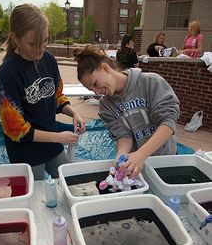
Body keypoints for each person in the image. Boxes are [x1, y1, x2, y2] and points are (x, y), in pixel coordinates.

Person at [0, 4, 85, 180]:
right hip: (25, 151)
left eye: (45, 41)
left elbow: (57, 96)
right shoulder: (6, 75)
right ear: (16, 38)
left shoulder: (49, 60)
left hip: (52, 143)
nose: (41, 49)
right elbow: (16, 130)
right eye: (32, 44)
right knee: (36, 198)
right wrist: (59, 137)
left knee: (69, 183)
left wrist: (73, 113)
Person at [73, 45, 180, 177]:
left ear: (105, 68)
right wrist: (119, 159)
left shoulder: (151, 82)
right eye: (91, 90)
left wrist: (141, 154)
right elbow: (123, 136)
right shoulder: (105, 106)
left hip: (165, 160)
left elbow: (168, 123)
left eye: (95, 83)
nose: (96, 92)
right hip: (136, 166)